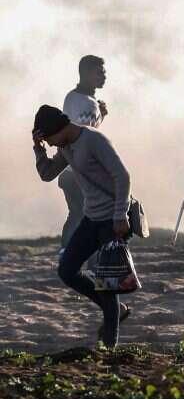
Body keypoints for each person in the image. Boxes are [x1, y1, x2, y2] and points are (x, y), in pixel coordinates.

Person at [32, 105, 132, 347]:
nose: (52, 144)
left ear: (58, 128)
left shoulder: (93, 139)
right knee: (67, 270)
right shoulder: (65, 147)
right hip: (91, 219)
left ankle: (110, 347)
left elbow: (123, 176)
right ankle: (115, 311)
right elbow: (47, 174)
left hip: (111, 219)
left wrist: (120, 215)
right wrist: (38, 149)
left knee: (108, 286)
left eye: (50, 138)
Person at [58, 55, 109, 247]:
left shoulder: (75, 98)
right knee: (83, 215)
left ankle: (69, 256)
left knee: (78, 214)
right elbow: (83, 137)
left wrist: (100, 115)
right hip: (79, 171)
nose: (104, 76)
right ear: (86, 73)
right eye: (100, 72)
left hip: (72, 169)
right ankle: (72, 257)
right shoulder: (84, 102)